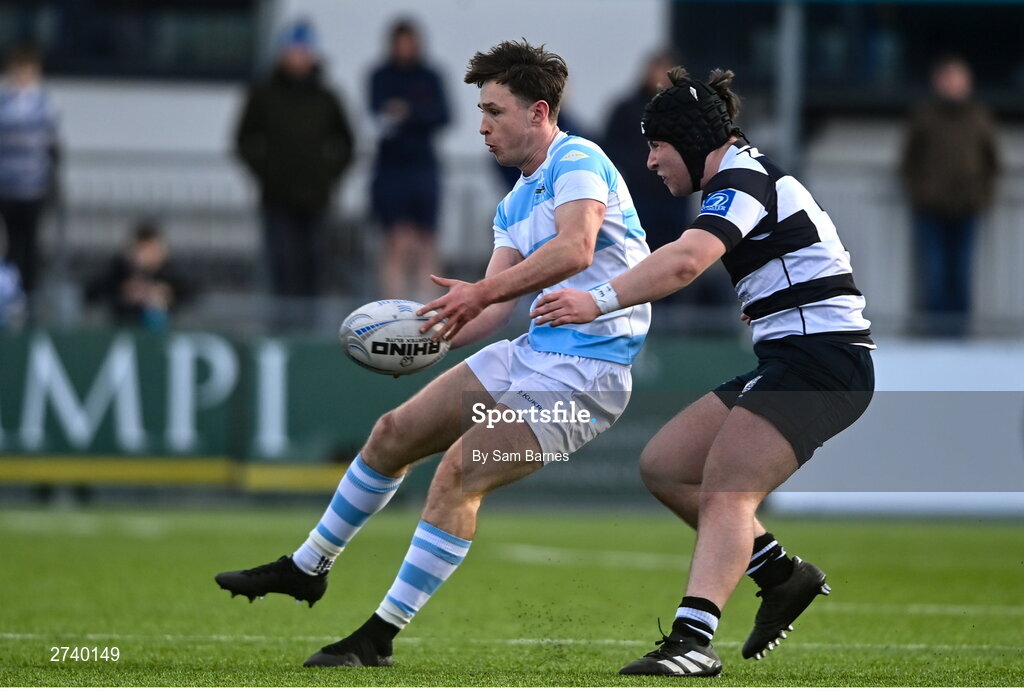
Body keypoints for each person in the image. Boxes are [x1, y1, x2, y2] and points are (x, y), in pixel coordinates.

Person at [215, 39, 652, 668]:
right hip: (531, 352)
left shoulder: (578, 157)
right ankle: (307, 567)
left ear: (538, 112)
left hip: (587, 380)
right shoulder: (512, 202)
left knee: (457, 474)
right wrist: (424, 328)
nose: (482, 125)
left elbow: (576, 250)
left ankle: (377, 637)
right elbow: (493, 308)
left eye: (495, 111)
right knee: (393, 432)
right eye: (480, 110)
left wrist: (480, 291)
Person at [532, 66, 875, 677]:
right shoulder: (741, 175)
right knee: (665, 467)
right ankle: (778, 574)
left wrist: (596, 299)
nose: (651, 161)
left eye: (657, 145)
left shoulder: (742, 175)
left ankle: (693, 640)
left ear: (692, 142)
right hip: (796, 358)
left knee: (726, 486)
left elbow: (686, 261)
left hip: (824, 361)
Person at [235, 18, 355, 330]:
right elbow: (243, 140)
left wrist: (329, 175)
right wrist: (266, 173)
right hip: (277, 197)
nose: (299, 58)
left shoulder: (327, 97)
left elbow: (347, 143)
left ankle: (310, 328)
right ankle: (281, 327)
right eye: (293, 51)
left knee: (314, 265)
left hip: (316, 197)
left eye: (304, 52)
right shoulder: (264, 95)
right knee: (282, 264)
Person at [900, 55, 1000, 337]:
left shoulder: (980, 115)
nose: (954, 85)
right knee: (935, 272)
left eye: (959, 79)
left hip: (968, 207)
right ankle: (935, 334)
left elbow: (992, 163)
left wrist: (980, 196)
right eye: (948, 79)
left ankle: (959, 334)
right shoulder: (924, 115)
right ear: (938, 82)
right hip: (930, 207)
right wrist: (921, 192)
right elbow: (908, 161)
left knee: (961, 271)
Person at [369, 19, 450, 302]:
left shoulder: (430, 76)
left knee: (426, 241)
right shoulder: (380, 76)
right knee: (396, 241)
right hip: (391, 170)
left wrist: (409, 113)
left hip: (423, 169)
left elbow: (443, 115)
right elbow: (375, 115)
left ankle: (429, 308)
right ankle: (394, 309)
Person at [0, 44, 59, 312]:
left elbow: (42, 135)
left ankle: (30, 294)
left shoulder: (43, 103)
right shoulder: (5, 102)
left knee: (31, 243)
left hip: (33, 187)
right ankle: (11, 294)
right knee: (11, 242)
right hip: (7, 186)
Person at [84, 220, 192, 331]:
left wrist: (167, 295)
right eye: (141, 249)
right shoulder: (118, 270)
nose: (145, 255)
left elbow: (191, 294)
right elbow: (92, 293)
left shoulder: (173, 272)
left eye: (150, 250)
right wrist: (124, 293)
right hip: (122, 326)